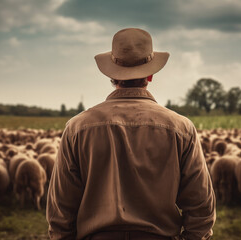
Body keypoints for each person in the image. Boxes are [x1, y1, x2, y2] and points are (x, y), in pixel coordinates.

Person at [46, 28, 216, 240]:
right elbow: (201, 206)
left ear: (111, 74)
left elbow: (60, 210)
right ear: (151, 74)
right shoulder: (181, 128)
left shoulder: (77, 128)